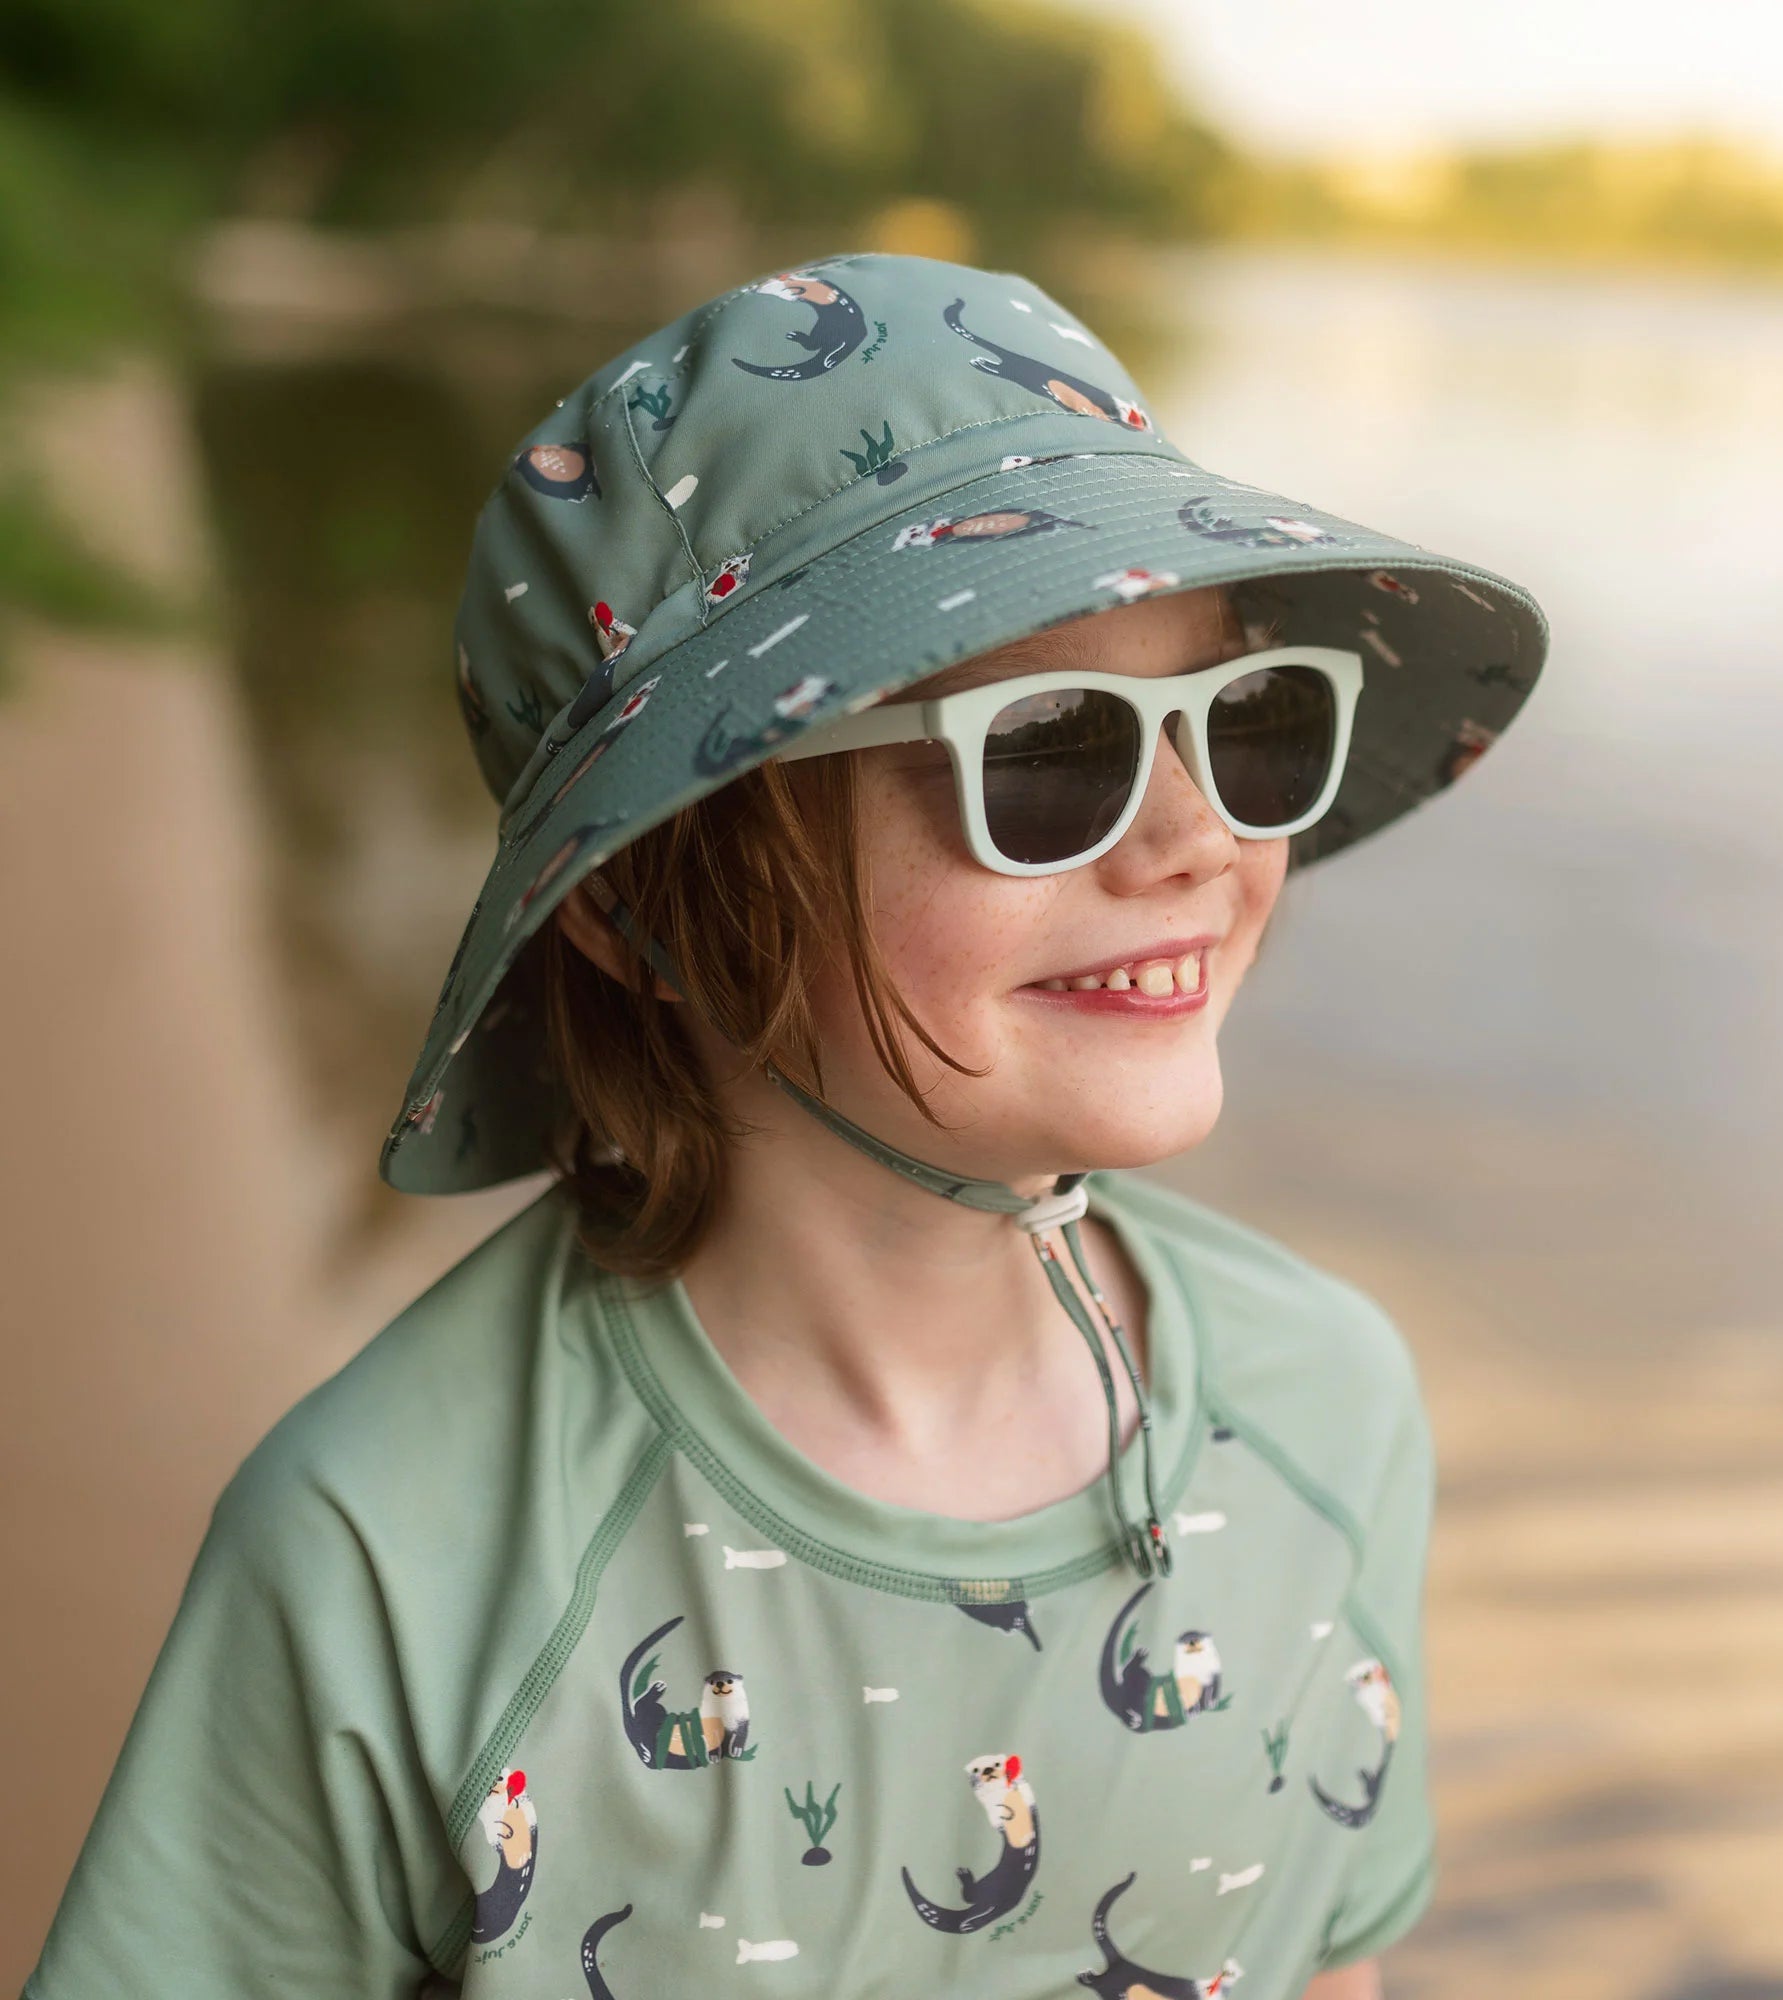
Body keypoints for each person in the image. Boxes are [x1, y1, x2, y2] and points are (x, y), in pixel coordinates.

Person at [24, 253, 1548, 2000]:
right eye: (1048, 749)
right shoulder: (390, 1552)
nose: (1200, 838)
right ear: (638, 902)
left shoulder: (1325, 1412)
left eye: (1245, 721)